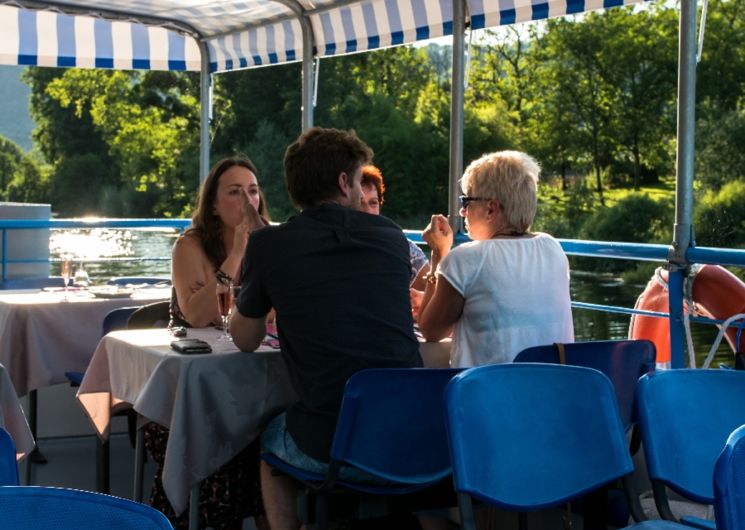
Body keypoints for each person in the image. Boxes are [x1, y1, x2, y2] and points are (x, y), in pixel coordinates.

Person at [229, 127, 423, 530]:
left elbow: (245, 340)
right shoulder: (390, 237)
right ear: (342, 182)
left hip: (335, 448)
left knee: (268, 440)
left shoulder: (269, 245)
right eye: (356, 180)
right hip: (413, 440)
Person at [148, 156, 269, 530]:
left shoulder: (271, 244)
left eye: (252, 191)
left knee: (269, 435)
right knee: (223, 450)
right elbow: (198, 316)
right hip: (186, 394)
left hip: (246, 389)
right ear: (214, 205)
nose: (247, 201)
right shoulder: (189, 246)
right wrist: (235, 255)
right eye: (234, 192)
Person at [416, 150, 574, 367]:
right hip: (551, 390)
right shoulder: (553, 248)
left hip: (492, 395)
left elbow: (430, 330)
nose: (463, 212)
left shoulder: (466, 259)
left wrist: (439, 254)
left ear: (491, 209)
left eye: (466, 201)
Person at [360, 164, 430, 290]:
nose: (367, 211)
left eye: (373, 203)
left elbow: (429, 294)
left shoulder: (405, 249)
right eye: (359, 203)